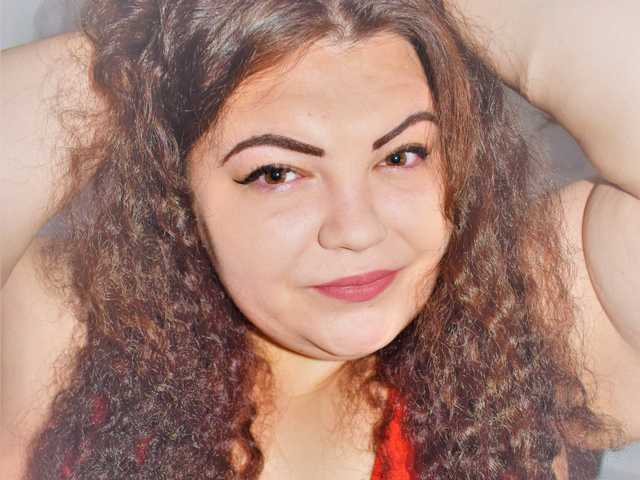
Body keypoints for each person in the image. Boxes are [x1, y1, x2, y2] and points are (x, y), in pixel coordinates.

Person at [1, 0, 638, 478]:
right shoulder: (66, 330)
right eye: (277, 173)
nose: (357, 229)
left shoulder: (535, 319)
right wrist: (149, 48)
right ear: (173, 191)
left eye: (401, 156)